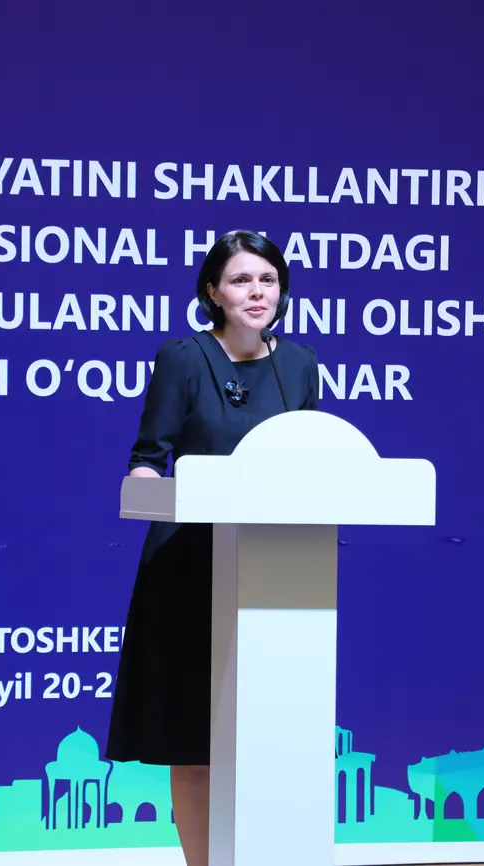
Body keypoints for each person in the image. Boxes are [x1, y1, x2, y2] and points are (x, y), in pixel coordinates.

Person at [105, 230, 319, 866]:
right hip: (189, 566)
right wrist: (149, 487)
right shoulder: (184, 357)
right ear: (213, 293)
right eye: (241, 280)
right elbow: (149, 458)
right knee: (195, 740)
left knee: (267, 739)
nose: (257, 292)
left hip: (276, 568)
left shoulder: (300, 365)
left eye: (268, 280)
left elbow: (314, 465)